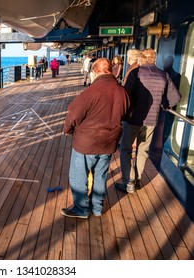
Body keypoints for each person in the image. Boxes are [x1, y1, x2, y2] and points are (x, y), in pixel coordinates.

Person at [62, 58, 130, 218]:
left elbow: (73, 115)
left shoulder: (90, 92)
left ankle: (81, 209)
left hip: (87, 143)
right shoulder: (122, 91)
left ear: (95, 71)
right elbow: (127, 112)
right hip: (109, 142)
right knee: (100, 176)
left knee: (79, 176)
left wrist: (68, 129)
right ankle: (97, 208)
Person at [115, 48, 181, 193]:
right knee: (143, 150)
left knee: (126, 149)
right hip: (152, 121)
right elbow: (175, 97)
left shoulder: (136, 73)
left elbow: (125, 95)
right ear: (154, 59)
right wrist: (165, 104)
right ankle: (137, 180)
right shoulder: (163, 75)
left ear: (141, 59)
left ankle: (129, 181)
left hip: (133, 119)